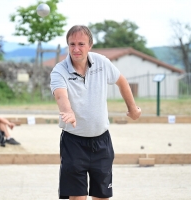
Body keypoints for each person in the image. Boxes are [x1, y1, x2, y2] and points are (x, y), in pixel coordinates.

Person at [50, 25, 141, 200]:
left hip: (101, 142)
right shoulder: (59, 71)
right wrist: (68, 111)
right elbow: (61, 97)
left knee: (102, 197)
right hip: (73, 143)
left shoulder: (102, 63)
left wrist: (132, 109)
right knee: (77, 197)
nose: (76, 49)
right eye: (72, 44)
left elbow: (121, 81)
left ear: (90, 45)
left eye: (81, 44)